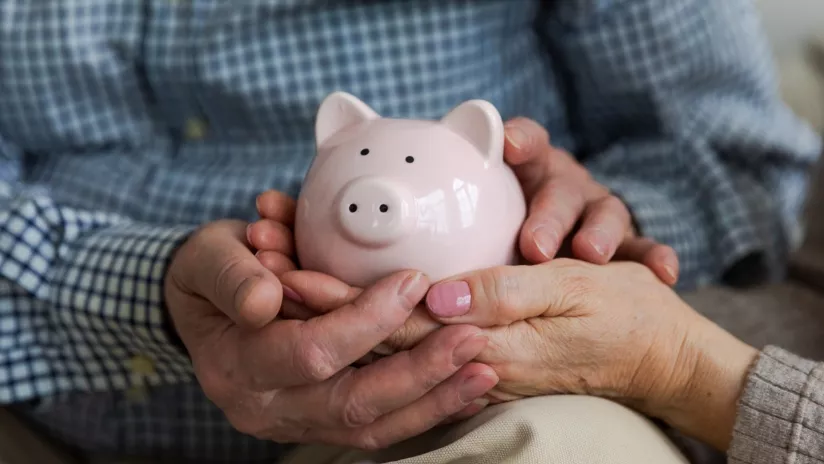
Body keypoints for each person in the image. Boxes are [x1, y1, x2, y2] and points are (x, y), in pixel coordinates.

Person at [0, 0, 820, 463]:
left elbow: (734, 157)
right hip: (40, 394)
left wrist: (594, 241)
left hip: (470, 399)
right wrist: (149, 287)